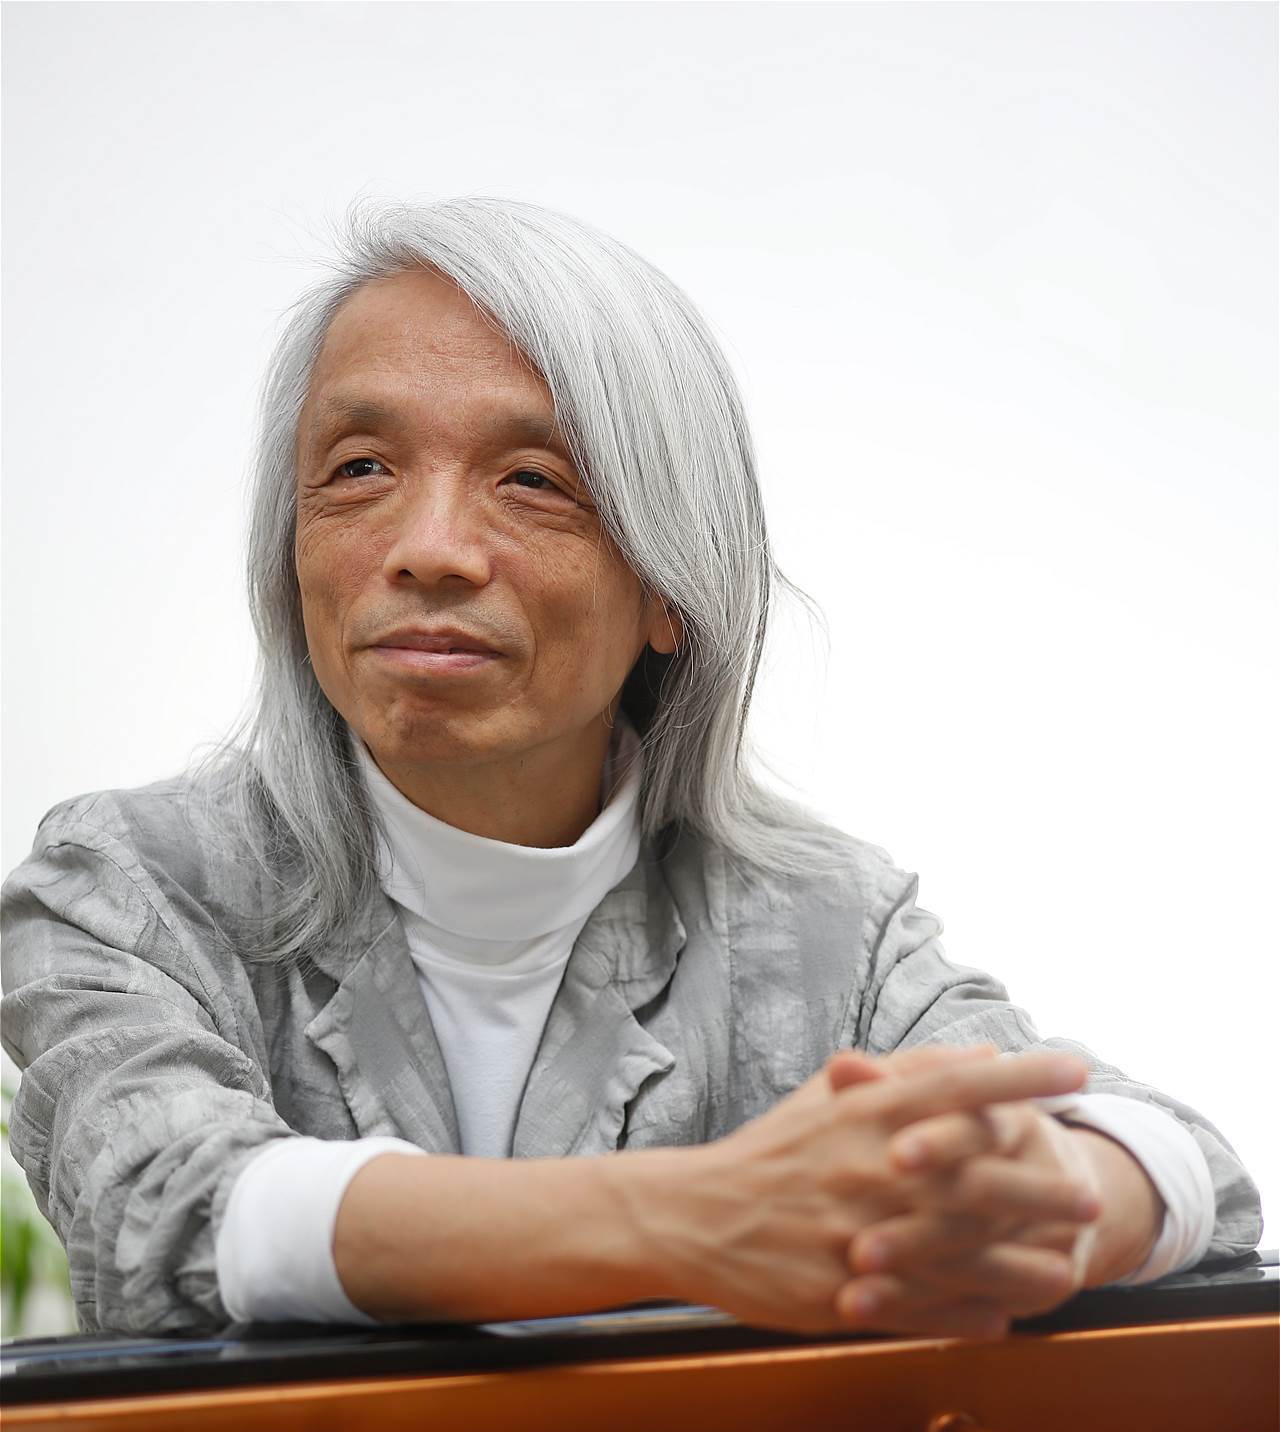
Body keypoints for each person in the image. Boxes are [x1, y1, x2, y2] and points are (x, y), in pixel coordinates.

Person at [0, 198, 1261, 1340]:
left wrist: (1048, 1201)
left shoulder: (820, 928)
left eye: (532, 480)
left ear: (669, 588)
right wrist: (693, 1216)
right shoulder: (126, 888)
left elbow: (1178, 1166)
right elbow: (173, 1210)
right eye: (360, 469)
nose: (428, 548)